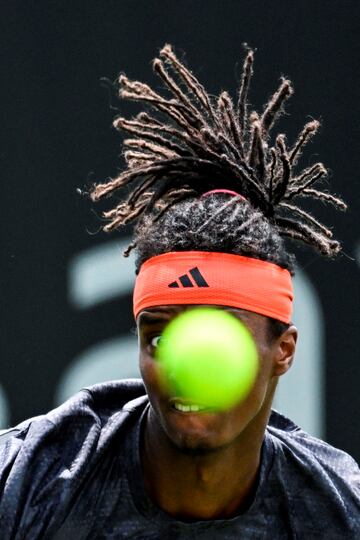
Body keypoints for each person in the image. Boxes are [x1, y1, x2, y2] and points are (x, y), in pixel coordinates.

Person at [0, 44, 359, 539]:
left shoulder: (341, 512)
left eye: (218, 337)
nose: (183, 368)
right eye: (160, 338)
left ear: (284, 350)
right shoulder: (27, 478)